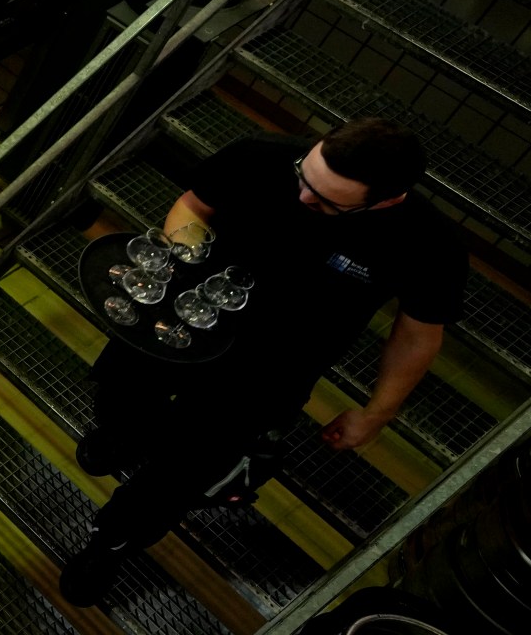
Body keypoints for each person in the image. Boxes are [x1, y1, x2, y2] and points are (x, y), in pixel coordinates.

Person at [60, 118, 465, 606]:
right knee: (120, 391)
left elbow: (418, 333)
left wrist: (376, 413)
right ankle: (116, 434)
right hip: (187, 321)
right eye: (303, 176)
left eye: (325, 200)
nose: (302, 198)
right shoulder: (259, 154)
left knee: (180, 474)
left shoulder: (429, 242)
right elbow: (192, 205)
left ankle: (111, 542)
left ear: (385, 199)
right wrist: (187, 260)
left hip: (270, 373)